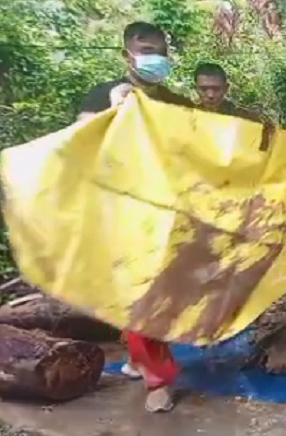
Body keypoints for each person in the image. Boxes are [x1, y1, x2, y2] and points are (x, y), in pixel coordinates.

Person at [78, 21, 190, 413]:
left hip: (171, 208)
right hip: (123, 209)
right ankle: (157, 381)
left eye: (159, 50)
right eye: (145, 49)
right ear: (127, 54)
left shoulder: (177, 103)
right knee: (140, 293)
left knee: (160, 294)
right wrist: (111, 111)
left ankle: (141, 356)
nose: (153, 57)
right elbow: (80, 145)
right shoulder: (103, 95)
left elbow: (199, 152)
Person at [193, 62, 260, 122]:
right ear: (195, 88)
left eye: (216, 89)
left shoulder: (245, 118)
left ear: (226, 88)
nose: (210, 95)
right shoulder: (189, 117)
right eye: (204, 89)